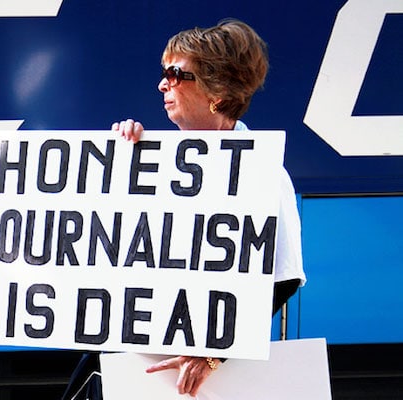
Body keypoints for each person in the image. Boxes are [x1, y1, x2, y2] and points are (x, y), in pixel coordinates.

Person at [61, 18, 307, 399]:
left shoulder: (264, 173)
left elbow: (282, 280)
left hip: (189, 380)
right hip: (122, 358)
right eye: (164, 73)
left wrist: (212, 356)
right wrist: (116, 165)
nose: (163, 83)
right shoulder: (144, 157)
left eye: (177, 74)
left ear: (219, 91)